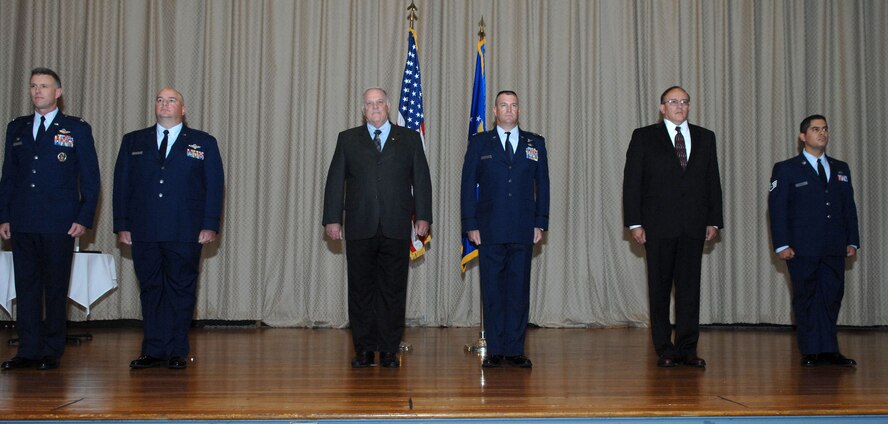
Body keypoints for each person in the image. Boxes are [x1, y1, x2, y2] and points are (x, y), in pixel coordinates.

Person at [113, 87, 224, 370]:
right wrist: (122, 224)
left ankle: (176, 349)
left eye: (171, 100)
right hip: (144, 230)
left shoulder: (203, 143)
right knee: (151, 290)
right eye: (160, 100)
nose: (165, 104)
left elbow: (214, 187)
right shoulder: (133, 141)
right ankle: (153, 349)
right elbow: (121, 186)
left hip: (185, 231)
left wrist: (210, 224)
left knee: (181, 291)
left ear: (183, 109)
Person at [322, 87, 432, 369]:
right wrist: (332, 219)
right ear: (363, 110)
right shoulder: (348, 139)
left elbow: (421, 178)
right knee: (360, 290)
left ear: (388, 105)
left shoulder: (408, 139)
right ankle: (363, 349)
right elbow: (335, 181)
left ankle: (388, 349)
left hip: (396, 225)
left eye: (379, 102)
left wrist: (424, 216)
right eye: (369, 104)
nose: (374, 108)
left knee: (393, 290)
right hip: (360, 226)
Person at [0, 68, 100, 370]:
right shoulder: (16, 128)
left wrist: (84, 217)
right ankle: (27, 350)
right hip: (23, 220)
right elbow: (9, 177)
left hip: (60, 222)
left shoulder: (76, 129)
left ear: (58, 92)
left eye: (44, 86)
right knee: (27, 287)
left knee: (55, 288)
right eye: (33, 86)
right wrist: (4, 215)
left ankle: (51, 350)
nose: (37, 91)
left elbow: (91, 178)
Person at [622, 86, 723, 368]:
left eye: (684, 102)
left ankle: (687, 348)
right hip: (657, 226)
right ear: (662, 107)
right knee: (660, 289)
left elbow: (712, 180)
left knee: (690, 290)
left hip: (693, 225)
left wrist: (714, 219)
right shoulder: (644, 137)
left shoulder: (705, 137)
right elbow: (632, 182)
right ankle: (665, 348)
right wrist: (634, 222)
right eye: (673, 102)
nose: (679, 106)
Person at [460, 90, 550, 369]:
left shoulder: (534, 143)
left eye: (514, 105)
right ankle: (496, 350)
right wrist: (470, 224)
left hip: (524, 228)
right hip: (489, 229)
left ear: (518, 110)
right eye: (503, 105)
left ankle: (515, 350)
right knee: (493, 291)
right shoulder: (479, 143)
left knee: (518, 291)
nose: (509, 110)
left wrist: (541, 222)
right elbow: (466, 186)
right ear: (495, 111)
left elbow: (543, 186)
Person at [768, 114, 859, 367]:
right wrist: (782, 244)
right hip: (801, 248)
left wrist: (852, 239)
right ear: (803, 136)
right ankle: (810, 350)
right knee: (806, 297)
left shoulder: (841, 168)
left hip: (833, 245)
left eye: (825, 129)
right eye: (816, 129)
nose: (822, 133)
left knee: (831, 296)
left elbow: (848, 207)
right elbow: (777, 208)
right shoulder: (786, 168)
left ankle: (830, 349)